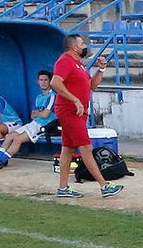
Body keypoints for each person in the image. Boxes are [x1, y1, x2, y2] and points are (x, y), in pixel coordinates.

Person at [51, 33, 123, 199]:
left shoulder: (78, 64)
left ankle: (63, 188)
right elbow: (55, 82)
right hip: (70, 111)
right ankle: (104, 186)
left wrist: (101, 69)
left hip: (78, 111)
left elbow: (92, 86)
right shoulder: (65, 61)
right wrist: (74, 99)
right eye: (82, 44)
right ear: (74, 47)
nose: (85, 46)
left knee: (67, 149)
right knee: (86, 147)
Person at [0, 70, 59, 165]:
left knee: (18, 139)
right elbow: (32, 115)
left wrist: (38, 113)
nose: (43, 82)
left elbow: (45, 115)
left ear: (50, 81)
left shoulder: (52, 96)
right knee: (9, 136)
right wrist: (39, 113)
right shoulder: (38, 97)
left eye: (46, 80)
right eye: (41, 80)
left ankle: (1, 161)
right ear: (38, 81)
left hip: (44, 126)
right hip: (34, 124)